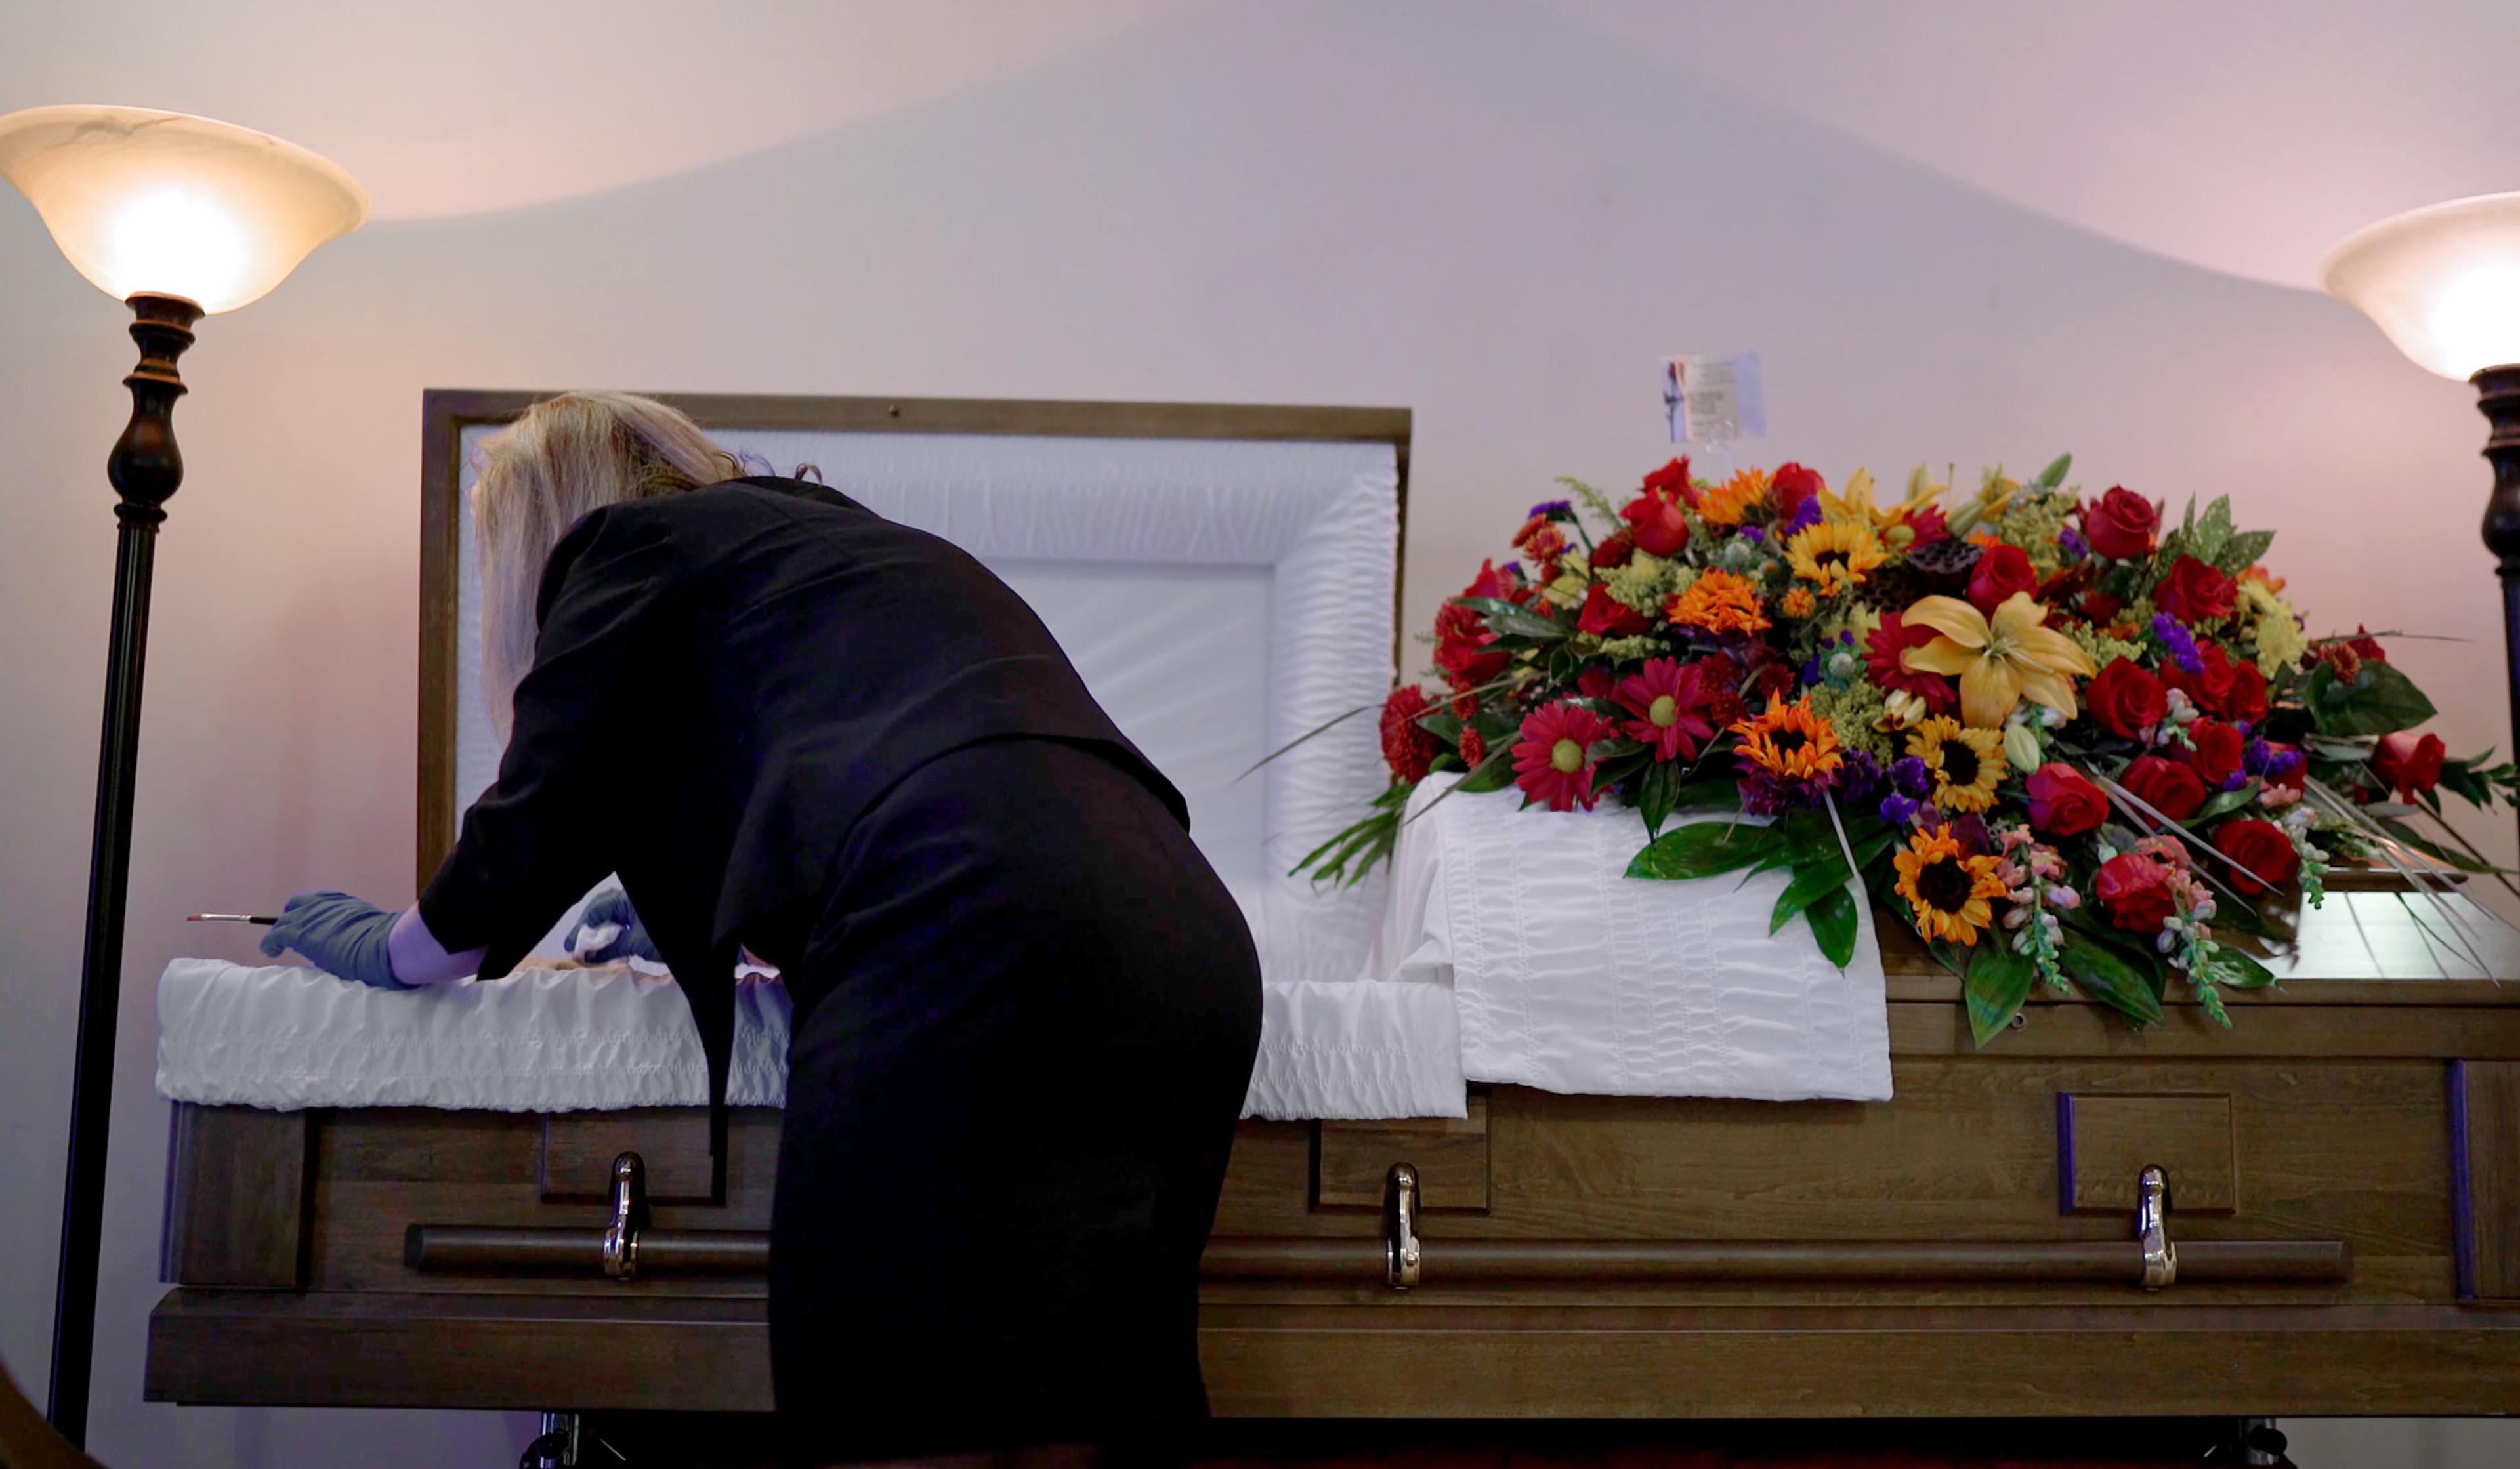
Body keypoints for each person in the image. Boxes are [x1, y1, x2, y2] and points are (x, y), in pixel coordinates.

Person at [259, 392, 1264, 1466]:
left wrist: (393, 945)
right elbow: (909, 778)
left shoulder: (625, 545)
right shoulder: (861, 552)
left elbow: (524, 833)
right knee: (1098, 1415)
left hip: (958, 933)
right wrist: (716, 910)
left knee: (893, 1420)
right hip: (1185, 938)